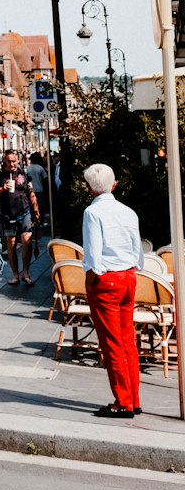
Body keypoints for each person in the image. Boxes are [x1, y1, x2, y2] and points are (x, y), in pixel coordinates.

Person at [82, 163, 145, 418]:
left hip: (106, 277)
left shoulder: (92, 213)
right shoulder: (128, 211)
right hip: (128, 274)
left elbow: (93, 255)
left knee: (112, 343)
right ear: (114, 184)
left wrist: (89, 282)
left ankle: (123, 401)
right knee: (127, 339)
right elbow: (137, 248)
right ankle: (134, 398)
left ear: (89, 188)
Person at [0, 149, 40, 285]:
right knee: (11, 244)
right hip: (7, 214)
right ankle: (15, 275)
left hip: (24, 212)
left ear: (18, 160)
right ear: (4, 161)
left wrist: (36, 209)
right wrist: (1, 189)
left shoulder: (24, 173)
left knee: (26, 241)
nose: (11, 164)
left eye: (14, 161)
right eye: (9, 161)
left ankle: (26, 272)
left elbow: (30, 191)